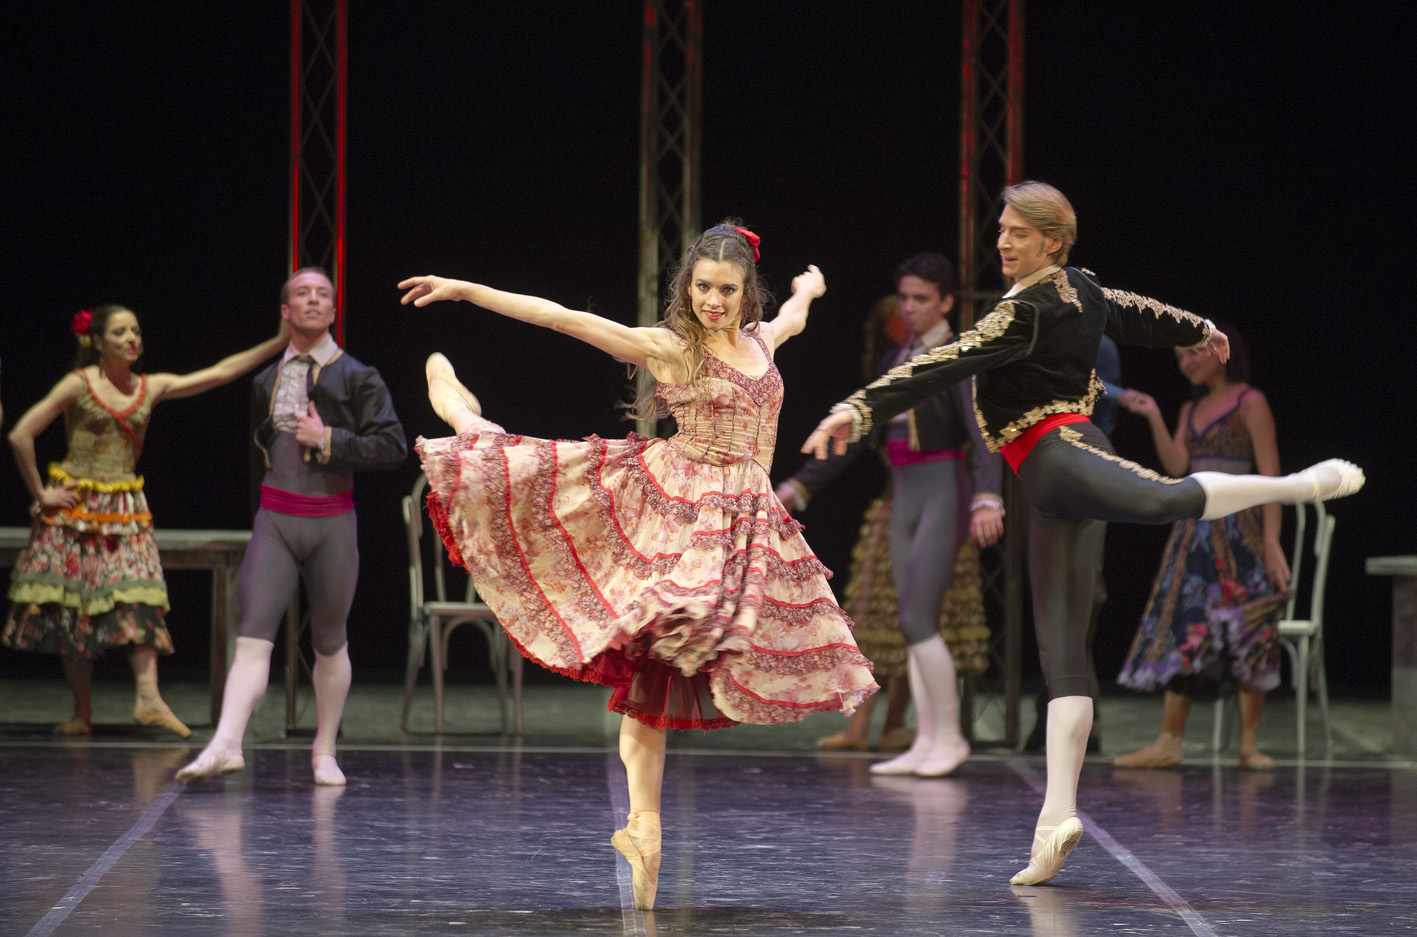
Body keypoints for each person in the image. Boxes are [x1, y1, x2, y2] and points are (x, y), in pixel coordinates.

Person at [802, 181, 1363, 886]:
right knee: (1061, 651)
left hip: (1061, 452)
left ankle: (1297, 485)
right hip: (1045, 475)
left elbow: (945, 361)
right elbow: (1137, 312)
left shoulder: (1026, 309)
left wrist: (858, 408)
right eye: (1001, 229)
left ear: (1053, 242)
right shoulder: (1077, 290)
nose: (1002, 241)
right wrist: (1196, 326)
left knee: (1162, 499)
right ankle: (1055, 820)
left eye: (1017, 232)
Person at [398, 222, 877, 910]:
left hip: (744, 521)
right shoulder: (672, 348)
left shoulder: (759, 341)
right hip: (680, 513)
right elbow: (562, 318)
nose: (713, 301)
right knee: (509, 467)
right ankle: (459, 413)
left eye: (727, 290)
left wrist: (809, 290)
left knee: (661, 670)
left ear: (747, 292)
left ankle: (643, 829)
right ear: (688, 287)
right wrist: (466, 289)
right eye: (703, 287)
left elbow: (791, 320)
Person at [4, 304, 289, 736]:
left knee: (141, 593)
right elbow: (20, 433)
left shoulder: (149, 386)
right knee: (75, 607)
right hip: (75, 512)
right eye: (120, 332)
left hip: (125, 509)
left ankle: (148, 697)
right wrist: (42, 494)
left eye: (135, 331)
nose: (132, 338)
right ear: (97, 342)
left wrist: (279, 341)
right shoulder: (79, 383)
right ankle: (82, 713)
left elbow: (220, 373)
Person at [177, 268, 407, 787]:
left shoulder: (358, 376)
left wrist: (330, 440)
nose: (313, 300)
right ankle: (226, 743)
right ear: (286, 311)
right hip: (276, 520)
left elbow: (393, 446)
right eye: (302, 293)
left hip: (331, 523)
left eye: (323, 294)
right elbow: (258, 457)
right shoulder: (266, 381)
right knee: (253, 636)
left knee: (329, 640)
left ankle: (324, 750)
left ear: (333, 311)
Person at [777, 254, 1003, 775]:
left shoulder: (958, 357)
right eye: (905, 298)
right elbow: (857, 433)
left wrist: (988, 497)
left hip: (943, 489)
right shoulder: (896, 358)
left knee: (918, 618)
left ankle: (950, 738)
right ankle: (926, 740)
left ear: (946, 302)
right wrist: (800, 485)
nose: (910, 308)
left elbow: (982, 433)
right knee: (912, 622)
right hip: (904, 494)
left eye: (922, 298)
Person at [1113, 322, 1288, 770]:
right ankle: (1169, 740)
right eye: (1180, 359)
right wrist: (1153, 414)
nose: (1186, 364)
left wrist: (1271, 541)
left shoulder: (1250, 401)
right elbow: (1177, 467)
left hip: (1241, 530)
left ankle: (1248, 744)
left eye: (1192, 353)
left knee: (1250, 625)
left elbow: (1271, 477)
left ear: (1218, 350)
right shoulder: (1189, 410)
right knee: (1185, 622)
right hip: (1195, 532)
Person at [1021, 332, 1121, 754]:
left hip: (1087, 465)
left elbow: (1106, 397)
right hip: (1046, 466)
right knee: (1053, 596)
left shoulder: (1098, 344)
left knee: (1082, 596)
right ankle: (1056, 711)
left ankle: (1068, 715)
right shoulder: (1032, 333)